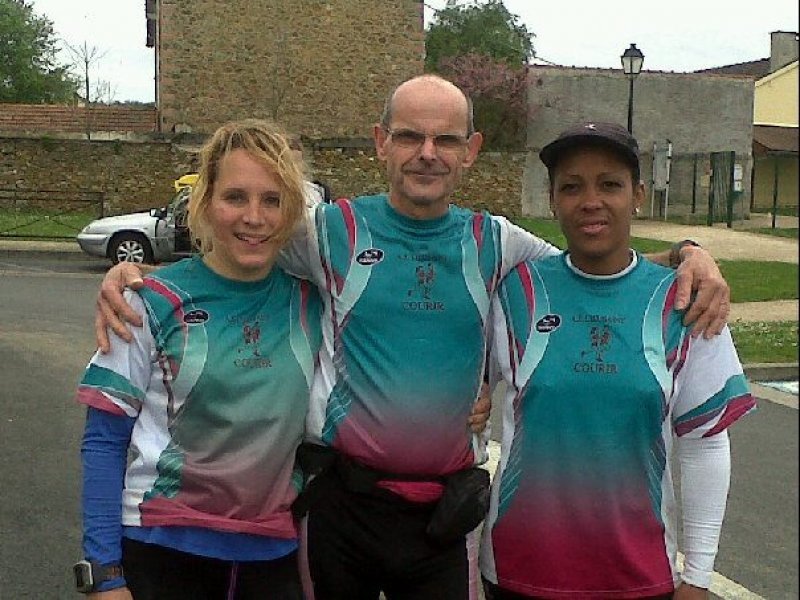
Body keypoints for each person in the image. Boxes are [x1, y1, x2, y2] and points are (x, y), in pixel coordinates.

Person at [93, 76, 731, 600]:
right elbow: (235, 249)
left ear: (470, 150)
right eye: (409, 136)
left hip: (441, 520)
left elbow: (593, 264)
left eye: (446, 139)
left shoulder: (496, 242)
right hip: (341, 505)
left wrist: (687, 255)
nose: (428, 152)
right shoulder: (328, 232)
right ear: (382, 143)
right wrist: (136, 278)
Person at [479, 122, 756, 600]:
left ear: (638, 196)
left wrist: (698, 576)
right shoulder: (517, 292)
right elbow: (467, 396)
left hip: (639, 577)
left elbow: (706, 445)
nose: (591, 201)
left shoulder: (685, 301)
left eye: (609, 184)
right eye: (571, 187)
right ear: (552, 201)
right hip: (518, 573)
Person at [74, 119, 324, 599]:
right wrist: (104, 574)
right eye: (235, 197)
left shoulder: (314, 304)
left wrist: (472, 393)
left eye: (272, 200)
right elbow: (104, 439)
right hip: (162, 547)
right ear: (205, 202)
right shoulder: (149, 302)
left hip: (272, 555)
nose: (254, 217)